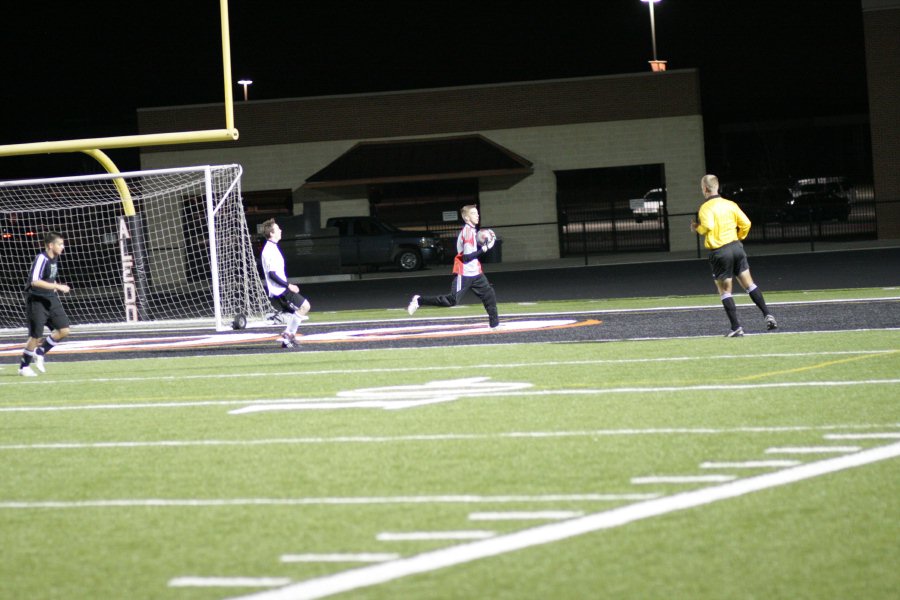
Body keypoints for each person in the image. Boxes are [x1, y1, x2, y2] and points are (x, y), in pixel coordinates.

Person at [691, 174, 778, 337]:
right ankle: (768, 315)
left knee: (725, 291)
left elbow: (708, 226)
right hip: (736, 247)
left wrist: (697, 228)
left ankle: (736, 327)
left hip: (720, 252)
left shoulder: (706, 207)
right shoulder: (730, 204)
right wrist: (739, 237)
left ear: (704, 189)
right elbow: (746, 223)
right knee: (750, 284)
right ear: (717, 187)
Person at [407, 205, 499, 328]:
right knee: (451, 301)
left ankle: (494, 325)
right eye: (473, 213)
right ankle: (419, 300)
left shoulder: (472, 231)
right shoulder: (467, 232)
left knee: (489, 295)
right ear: (466, 217)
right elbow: (466, 257)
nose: (477, 215)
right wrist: (485, 248)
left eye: (477, 213)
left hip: (476, 272)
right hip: (465, 273)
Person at [19, 231, 72, 376]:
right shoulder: (41, 258)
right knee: (36, 336)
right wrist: (58, 286)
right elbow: (35, 281)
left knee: (64, 330)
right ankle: (23, 367)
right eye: (60, 244)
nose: (63, 247)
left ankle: (40, 351)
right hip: (36, 300)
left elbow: (47, 278)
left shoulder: (54, 258)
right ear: (50, 245)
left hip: (50, 299)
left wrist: (53, 284)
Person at [260, 219, 311, 349]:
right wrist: (288, 285)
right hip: (280, 290)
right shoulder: (269, 250)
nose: (281, 230)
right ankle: (280, 322)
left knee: (296, 311)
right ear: (271, 233)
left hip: (281, 288)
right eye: (278, 229)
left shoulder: (273, 247)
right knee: (305, 306)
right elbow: (272, 274)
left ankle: (287, 338)